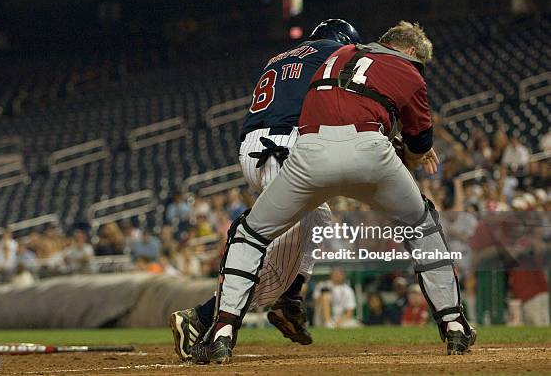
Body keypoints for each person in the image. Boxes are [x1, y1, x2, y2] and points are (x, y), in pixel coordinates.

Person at [190, 21, 476, 364]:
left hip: (306, 150)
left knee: (250, 234)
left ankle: (221, 332)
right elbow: (419, 145)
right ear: (412, 52)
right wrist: (408, 148)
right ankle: (454, 324)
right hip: (369, 150)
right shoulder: (408, 71)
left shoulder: (335, 56)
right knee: (421, 224)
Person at [170, 19, 362, 361]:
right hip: (285, 146)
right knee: (274, 263)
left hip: (255, 148)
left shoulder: (280, 58)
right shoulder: (337, 51)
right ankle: (202, 318)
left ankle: (290, 297)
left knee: (319, 221)